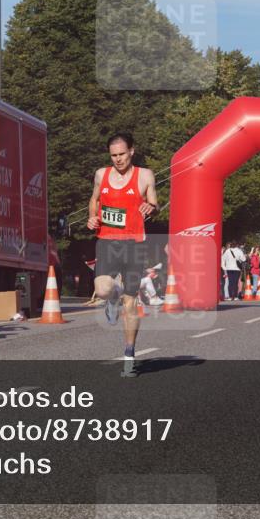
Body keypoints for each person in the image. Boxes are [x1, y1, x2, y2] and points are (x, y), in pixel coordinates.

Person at [87, 132, 158, 378]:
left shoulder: (145, 175)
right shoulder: (101, 174)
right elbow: (94, 199)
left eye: (122, 154)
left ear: (131, 152)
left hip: (135, 244)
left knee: (131, 302)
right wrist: (92, 217)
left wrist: (151, 207)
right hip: (107, 241)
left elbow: (155, 204)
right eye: (113, 155)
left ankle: (129, 355)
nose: (118, 159)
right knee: (103, 290)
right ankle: (112, 298)